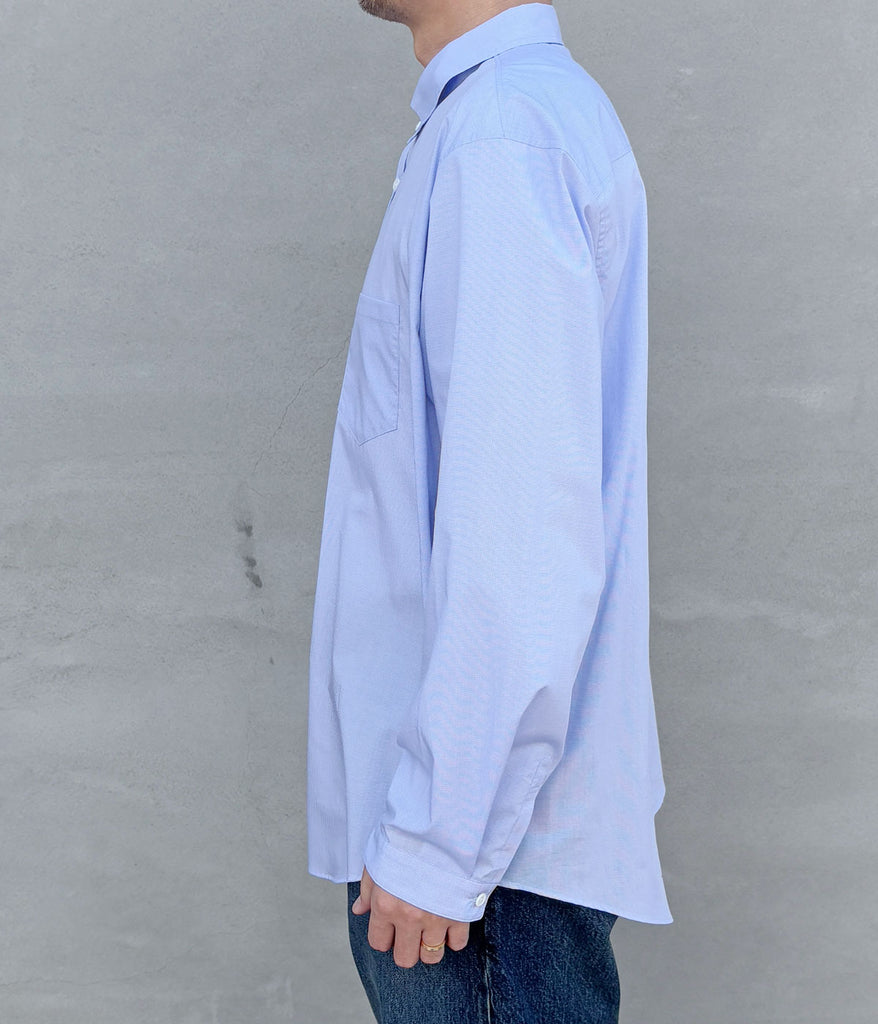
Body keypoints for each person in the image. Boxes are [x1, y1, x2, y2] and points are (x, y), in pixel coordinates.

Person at [306, 2, 673, 1020]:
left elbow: (520, 534)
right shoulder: (500, 121)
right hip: (482, 843)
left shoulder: (503, 137)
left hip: (480, 866)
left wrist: (437, 841)